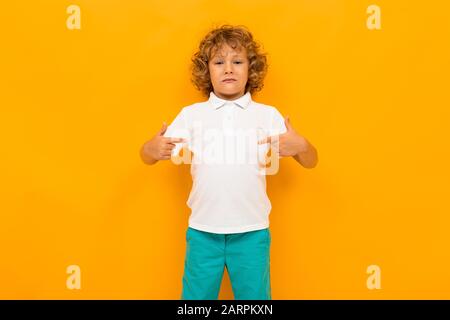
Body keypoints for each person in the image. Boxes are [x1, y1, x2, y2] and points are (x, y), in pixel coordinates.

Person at [140, 24, 318, 300]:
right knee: (195, 302)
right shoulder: (192, 115)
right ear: (206, 70)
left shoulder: (267, 115)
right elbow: (147, 156)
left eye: (237, 61)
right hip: (202, 232)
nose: (228, 69)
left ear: (251, 69)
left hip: (252, 232)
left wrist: (302, 146)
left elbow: (310, 161)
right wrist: (151, 149)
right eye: (219, 62)